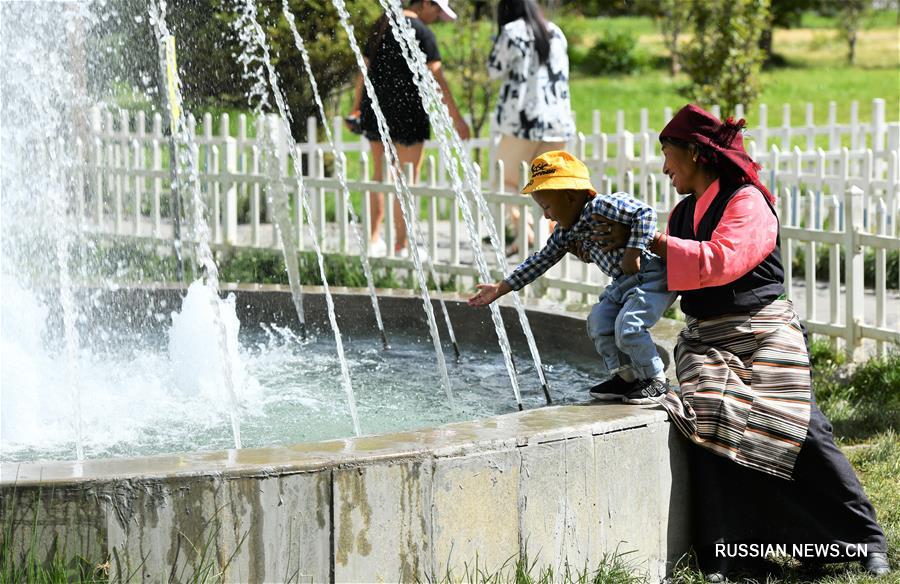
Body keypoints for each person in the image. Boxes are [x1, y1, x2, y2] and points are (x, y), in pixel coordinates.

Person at [590, 104, 890, 581]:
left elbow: (721, 260)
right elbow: (659, 279)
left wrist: (655, 242)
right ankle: (731, 554)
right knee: (707, 414)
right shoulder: (684, 212)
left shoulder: (746, 201)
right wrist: (618, 251)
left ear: (695, 153)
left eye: (669, 155)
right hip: (707, 340)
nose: (665, 168)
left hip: (764, 330)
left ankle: (863, 537)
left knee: (799, 420)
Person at [468, 150, 675, 403]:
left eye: (546, 206)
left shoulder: (602, 206)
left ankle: (656, 380)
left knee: (628, 327)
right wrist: (501, 287)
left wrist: (633, 252)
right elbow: (540, 260)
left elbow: (645, 214)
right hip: (623, 281)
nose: (546, 215)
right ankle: (626, 376)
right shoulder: (565, 233)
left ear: (570, 196)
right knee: (599, 322)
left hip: (649, 275)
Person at [347, 0, 470, 257]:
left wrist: (356, 107)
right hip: (409, 113)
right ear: (425, 3)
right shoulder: (422, 32)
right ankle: (402, 245)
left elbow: (364, 70)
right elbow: (438, 79)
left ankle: (372, 241)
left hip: (376, 111)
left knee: (379, 175)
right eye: (436, 10)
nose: (436, 17)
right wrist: (457, 118)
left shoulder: (381, 24)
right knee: (406, 178)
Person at [487, 0, 575, 256]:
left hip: (522, 121)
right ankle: (543, 238)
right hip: (558, 120)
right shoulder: (556, 31)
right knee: (546, 184)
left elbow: (493, 69)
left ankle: (527, 234)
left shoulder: (512, 32)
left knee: (504, 181)